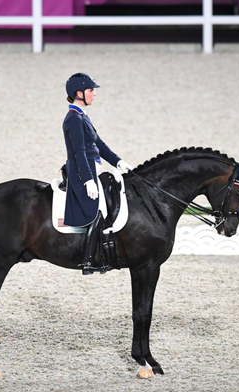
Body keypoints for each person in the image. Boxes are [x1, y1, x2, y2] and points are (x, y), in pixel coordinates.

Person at [62, 72, 133, 275]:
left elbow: (98, 144)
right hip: (80, 173)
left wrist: (117, 161)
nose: (94, 94)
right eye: (91, 90)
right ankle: (88, 261)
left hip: (92, 168)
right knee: (98, 210)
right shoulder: (73, 119)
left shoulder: (82, 116)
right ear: (79, 93)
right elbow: (79, 152)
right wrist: (87, 181)